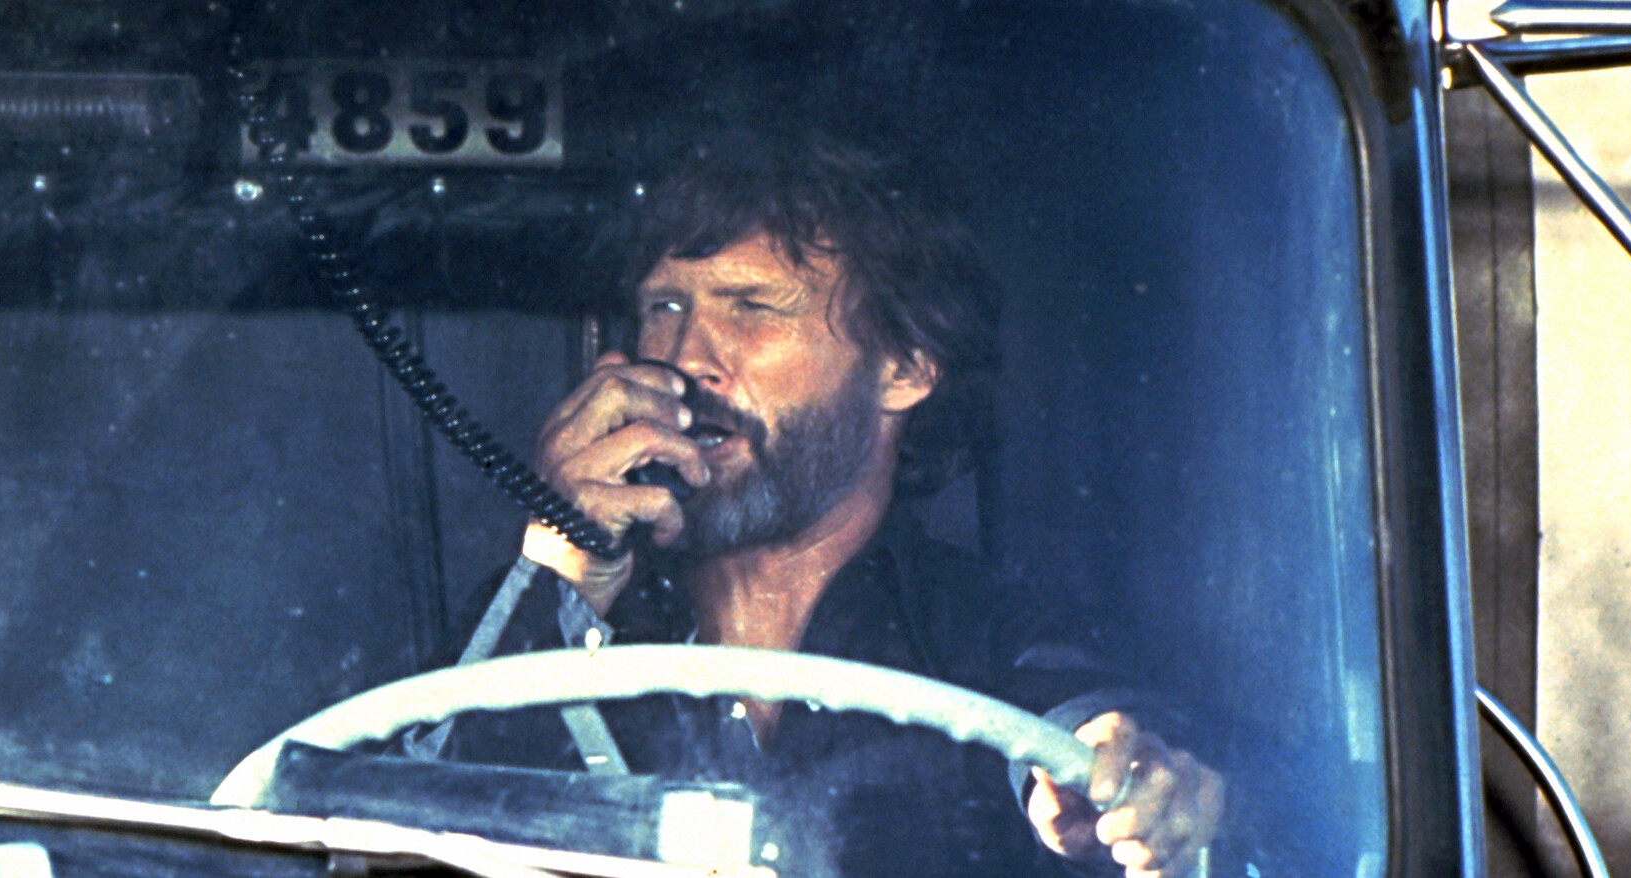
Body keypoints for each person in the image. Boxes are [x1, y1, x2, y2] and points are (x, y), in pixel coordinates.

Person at [433, 131, 1225, 878]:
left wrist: (1138, 782)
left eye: (752, 306)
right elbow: (399, 824)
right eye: (665, 308)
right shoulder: (555, 608)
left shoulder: (990, 637)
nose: (687, 358)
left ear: (904, 369)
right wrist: (561, 574)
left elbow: (1096, 722)